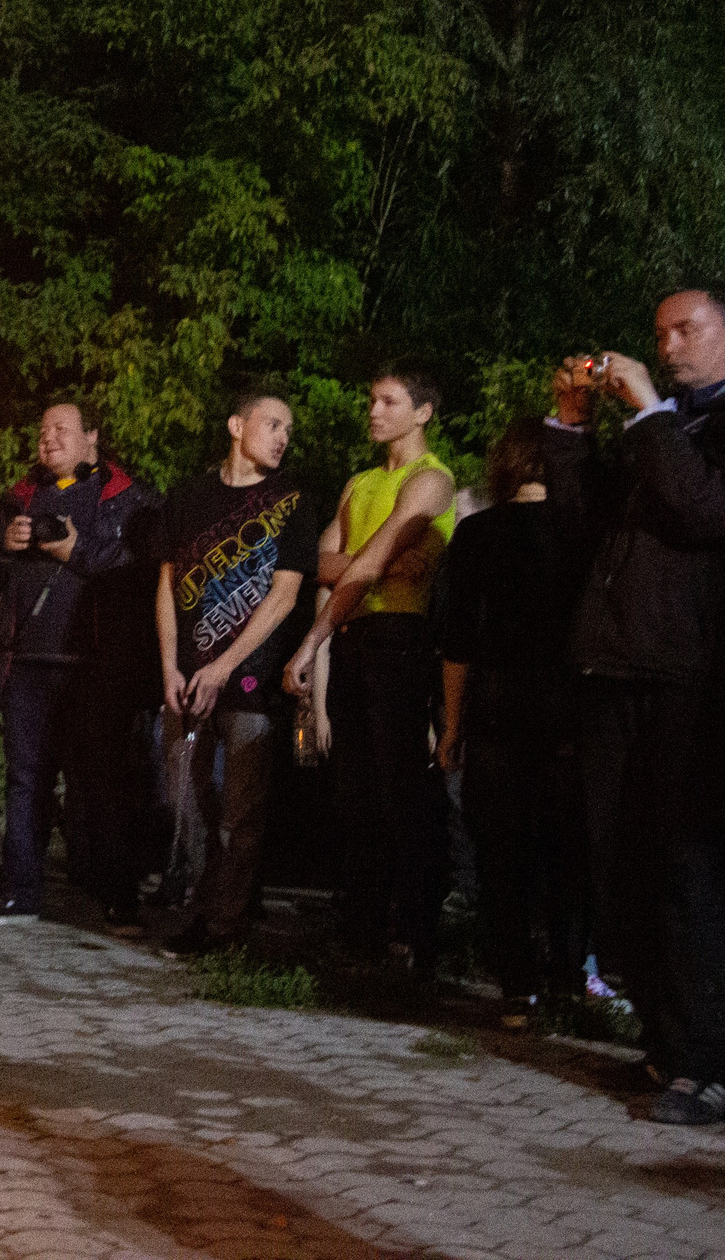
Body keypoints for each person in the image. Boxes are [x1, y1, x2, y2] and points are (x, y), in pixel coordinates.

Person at [541, 288, 725, 1123]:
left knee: (694, 869)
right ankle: (665, 1041)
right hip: (620, 668)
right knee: (623, 863)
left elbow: (707, 510)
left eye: (687, 330)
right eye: (660, 333)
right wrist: (572, 430)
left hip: (700, 678)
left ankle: (709, 1063)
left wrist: (651, 413)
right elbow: (583, 531)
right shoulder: (663, 428)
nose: (669, 346)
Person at [285, 367, 458, 974]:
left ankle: (416, 931)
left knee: (401, 789)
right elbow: (320, 561)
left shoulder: (431, 479)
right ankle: (361, 927)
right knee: (354, 791)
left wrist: (314, 635)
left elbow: (361, 564)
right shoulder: (359, 483)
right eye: (372, 399)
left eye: (389, 401)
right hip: (356, 635)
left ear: (423, 412)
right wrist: (376, 562)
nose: (375, 411)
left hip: (400, 639)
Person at [0, 401, 156, 931]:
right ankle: (20, 896)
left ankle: (119, 899)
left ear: (92, 436)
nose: (48, 438)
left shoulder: (127, 497)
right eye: (42, 430)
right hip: (27, 662)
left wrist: (75, 549)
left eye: (61, 429)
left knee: (103, 784)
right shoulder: (18, 496)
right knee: (25, 781)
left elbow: (140, 567)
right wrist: (3, 547)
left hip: (94, 665)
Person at [156, 392, 318, 957]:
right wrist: (169, 666)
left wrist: (223, 667)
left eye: (288, 429)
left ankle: (223, 925)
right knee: (183, 797)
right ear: (236, 425)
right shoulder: (188, 497)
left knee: (241, 811)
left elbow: (285, 594)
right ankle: (207, 905)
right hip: (187, 676)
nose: (283, 437)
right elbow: (167, 586)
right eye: (273, 424)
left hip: (252, 677)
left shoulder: (293, 502)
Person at [433, 419, 586, 1015]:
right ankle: (569, 977)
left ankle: (516, 986)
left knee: (502, 852)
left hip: (497, 706)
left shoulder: (476, 534)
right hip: (569, 710)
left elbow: (457, 641)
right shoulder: (584, 530)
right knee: (567, 850)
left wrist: (451, 726)